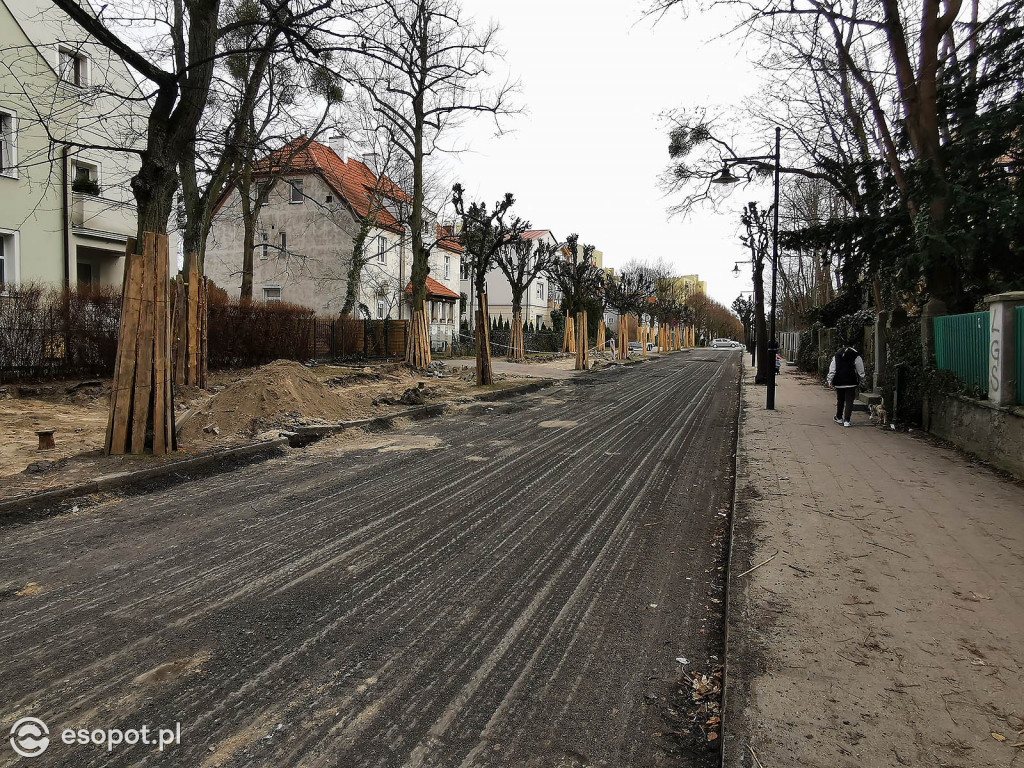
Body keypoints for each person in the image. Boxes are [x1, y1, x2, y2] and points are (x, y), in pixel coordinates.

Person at [827, 340, 866, 427]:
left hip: (839, 380)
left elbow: (833, 369)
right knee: (849, 401)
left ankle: (839, 417)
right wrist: (862, 379)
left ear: (843, 346)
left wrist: (830, 380)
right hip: (851, 381)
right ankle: (847, 420)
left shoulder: (837, 355)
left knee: (840, 399)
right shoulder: (856, 355)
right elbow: (860, 369)